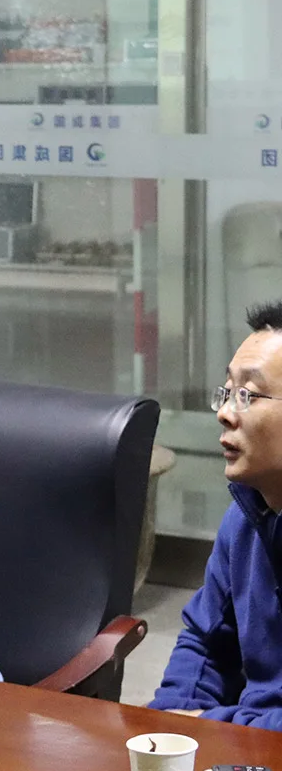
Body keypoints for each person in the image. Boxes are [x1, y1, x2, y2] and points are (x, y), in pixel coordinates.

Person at [151, 300, 282, 728]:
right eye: (227, 392)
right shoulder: (248, 512)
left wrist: (215, 724)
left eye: (248, 395)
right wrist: (172, 721)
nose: (225, 412)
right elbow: (206, 640)